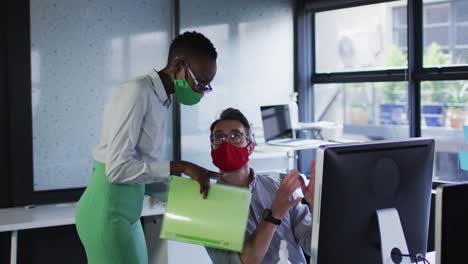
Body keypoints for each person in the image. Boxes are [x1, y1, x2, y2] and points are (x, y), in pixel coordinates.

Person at [75, 31, 220, 264]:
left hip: (128, 212)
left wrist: (197, 196)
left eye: (208, 84)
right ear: (178, 65)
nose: (202, 90)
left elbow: (144, 170)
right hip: (106, 212)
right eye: (200, 81)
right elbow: (117, 169)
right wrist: (180, 166)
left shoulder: (162, 98)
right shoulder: (137, 91)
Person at [206, 108, 315, 264]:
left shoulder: (278, 189)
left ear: (250, 147)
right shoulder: (208, 207)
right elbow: (243, 262)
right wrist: (275, 213)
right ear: (212, 148)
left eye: (235, 136)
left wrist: (315, 206)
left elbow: (312, 246)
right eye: (219, 137)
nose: (226, 142)